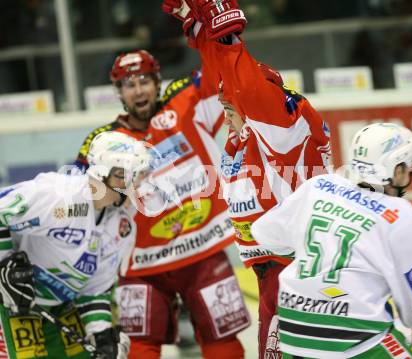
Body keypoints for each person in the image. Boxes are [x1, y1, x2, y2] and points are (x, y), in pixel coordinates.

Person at [161, 1, 332, 357]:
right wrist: (202, 34)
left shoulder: (286, 126)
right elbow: (227, 83)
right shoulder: (244, 136)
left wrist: (227, 36)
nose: (225, 106)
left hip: (296, 271)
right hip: (273, 272)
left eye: (231, 102)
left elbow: (248, 89)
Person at [74, 49, 250, 358]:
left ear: (158, 82)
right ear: (119, 93)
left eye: (145, 80)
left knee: (223, 340)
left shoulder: (184, 104)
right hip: (141, 263)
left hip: (202, 253)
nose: (139, 90)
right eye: (129, 84)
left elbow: (219, 68)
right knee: (139, 347)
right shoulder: (102, 140)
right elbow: (78, 196)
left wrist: (205, 28)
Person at [251, 123, 412, 358]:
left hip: (291, 331)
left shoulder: (319, 186)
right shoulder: (403, 216)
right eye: (408, 169)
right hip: (353, 338)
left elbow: (262, 233)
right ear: (398, 169)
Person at [0, 130, 151, 358]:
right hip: (12, 305)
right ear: (107, 175)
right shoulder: (58, 196)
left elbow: (93, 290)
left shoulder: (121, 227)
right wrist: (3, 266)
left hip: (63, 305)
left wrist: (101, 335)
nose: (139, 184)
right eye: (131, 175)